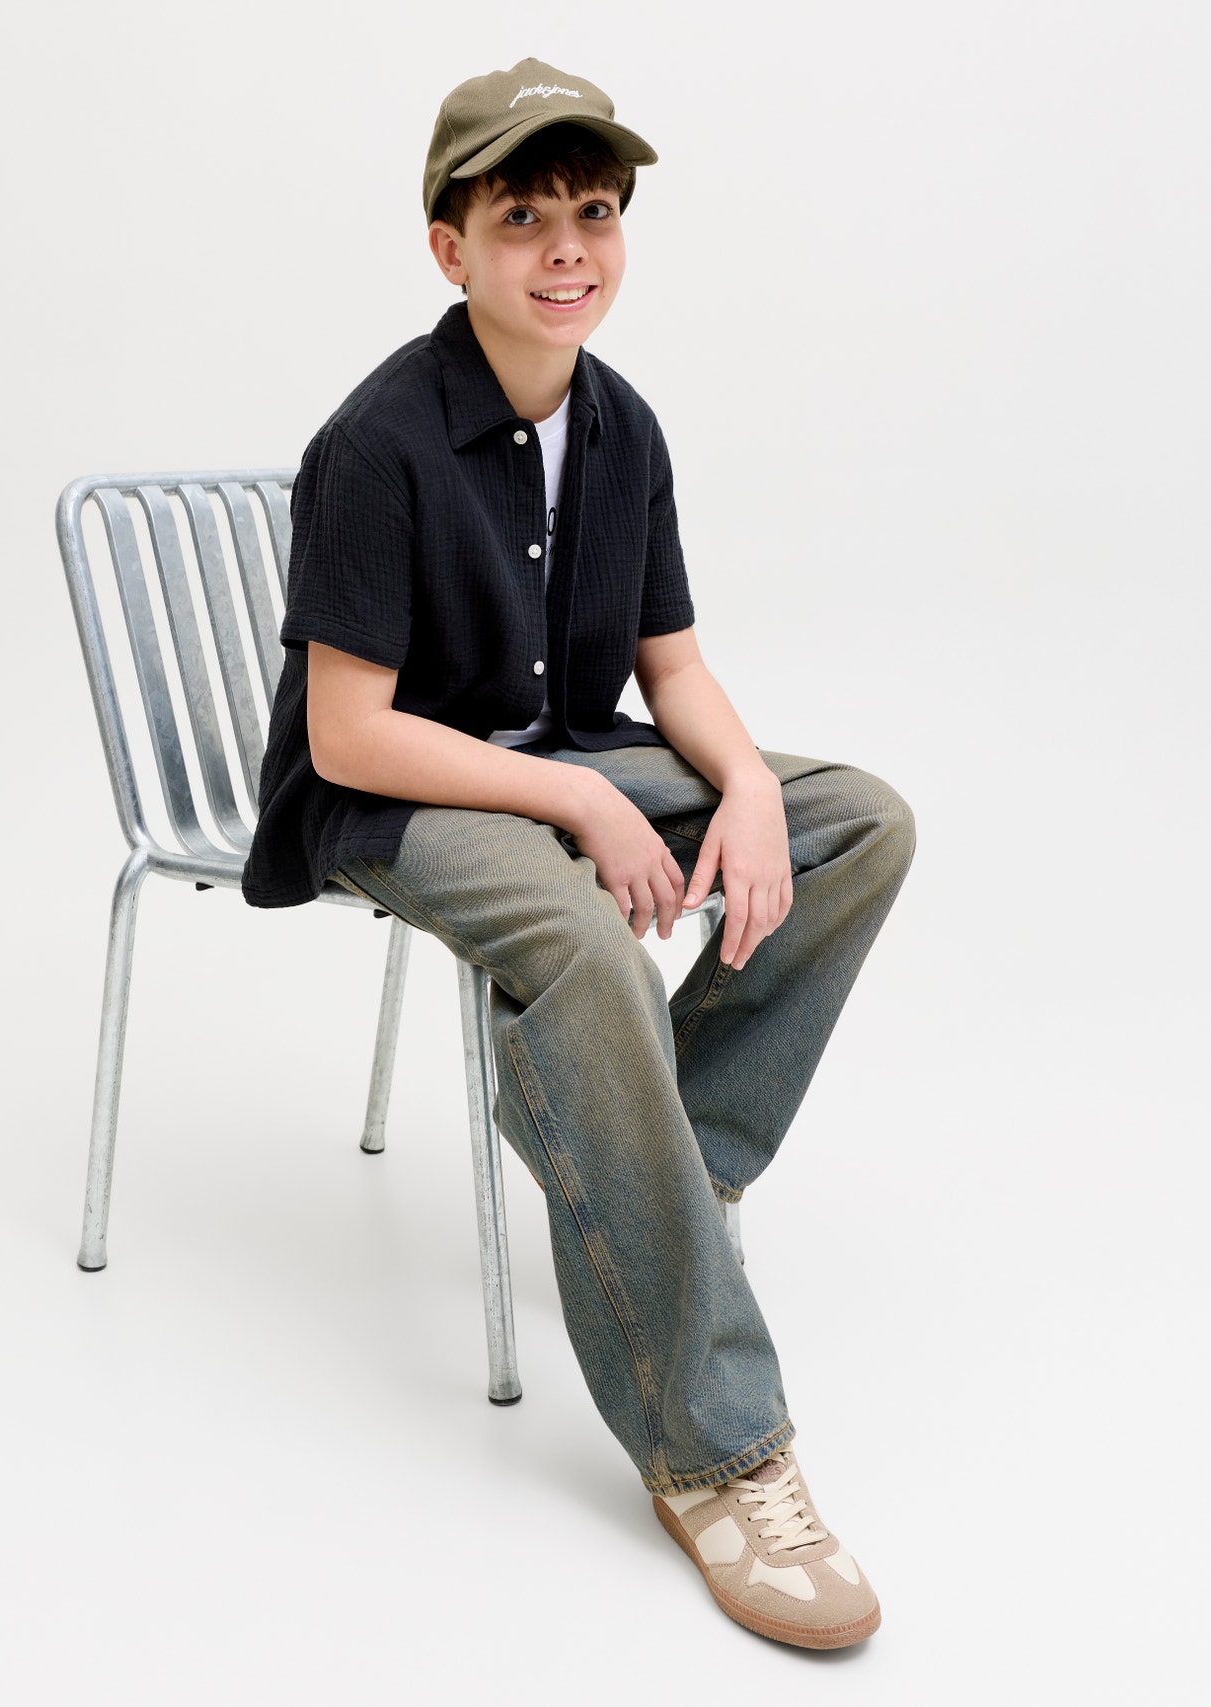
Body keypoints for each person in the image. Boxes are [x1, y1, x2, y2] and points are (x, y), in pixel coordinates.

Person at [242, 56, 916, 1650]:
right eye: (522, 217)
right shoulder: (379, 442)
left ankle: (654, 1174)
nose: (566, 248)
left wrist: (741, 786)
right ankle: (717, 1452)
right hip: (397, 798)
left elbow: (671, 668)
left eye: (595, 213)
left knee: (858, 821)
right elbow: (351, 734)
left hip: (560, 759)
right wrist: (590, 809)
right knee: (583, 939)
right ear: (449, 247)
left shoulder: (623, 426)